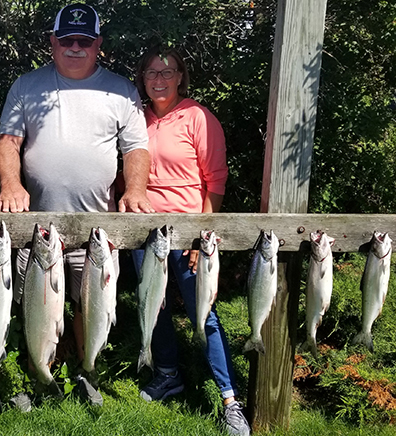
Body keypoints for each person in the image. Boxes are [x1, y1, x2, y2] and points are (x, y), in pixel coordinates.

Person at [0, 3, 153, 406]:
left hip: (95, 226)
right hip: (36, 227)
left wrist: (134, 190)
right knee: (35, 304)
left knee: (89, 304)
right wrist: (11, 184)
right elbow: (8, 141)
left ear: (98, 43)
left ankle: (88, 372)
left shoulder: (120, 89)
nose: (76, 48)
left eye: (84, 41)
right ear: (53, 42)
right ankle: (37, 377)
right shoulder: (27, 85)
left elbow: (135, 147)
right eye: (67, 40)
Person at [132, 46, 250, 436]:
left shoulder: (198, 116)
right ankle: (168, 374)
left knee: (206, 314)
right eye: (151, 72)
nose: (159, 79)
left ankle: (230, 399)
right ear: (143, 78)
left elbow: (215, 178)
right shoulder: (136, 117)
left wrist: (203, 237)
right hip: (144, 232)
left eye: (168, 71)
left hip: (189, 234)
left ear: (181, 76)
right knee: (156, 308)